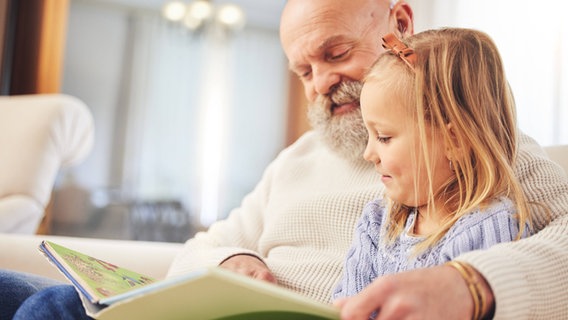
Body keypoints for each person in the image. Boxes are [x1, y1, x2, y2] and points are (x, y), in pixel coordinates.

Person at [1, 0, 567, 319]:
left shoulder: (487, 149)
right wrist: (232, 260)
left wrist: (471, 286)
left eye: (335, 53)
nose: (321, 83)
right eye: (303, 71)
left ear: (399, 24)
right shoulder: (298, 158)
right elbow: (202, 245)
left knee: (48, 309)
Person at [332, 28, 536, 319]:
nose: (368, 153)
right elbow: (347, 306)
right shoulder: (377, 222)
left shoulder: (491, 226)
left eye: (384, 137)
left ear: (455, 141)